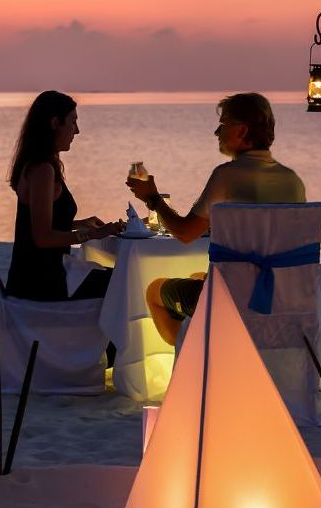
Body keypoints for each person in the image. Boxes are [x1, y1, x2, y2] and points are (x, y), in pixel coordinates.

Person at [126, 91, 305, 345]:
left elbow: (185, 233)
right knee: (197, 276)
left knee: (155, 290)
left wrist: (153, 199)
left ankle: (201, 357)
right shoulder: (292, 180)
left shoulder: (227, 176)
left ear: (242, 131)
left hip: (235, 300)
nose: (216, 132)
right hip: (283, 294)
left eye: (223, 124)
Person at [6, 91, 124, 316]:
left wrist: (80, 224)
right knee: (124, 285)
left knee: (117, 281)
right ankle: (105, 350)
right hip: (42, 284)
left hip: (34, 277)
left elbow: (42, 222)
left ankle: (101, 349)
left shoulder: (34, 165)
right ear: (55, 123)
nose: (76, 131)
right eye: (73, 122)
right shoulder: (42, 171)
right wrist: (94, 235)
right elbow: (42, 237)